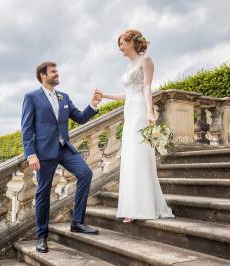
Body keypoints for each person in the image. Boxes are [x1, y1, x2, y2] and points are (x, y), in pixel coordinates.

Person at [21, 61, 102, 253]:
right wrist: (31, 154)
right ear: (43, 75)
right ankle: (41, 236)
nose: (57, 74)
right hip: (43, 152)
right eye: (53, 71)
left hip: (64, 148)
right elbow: (26, 128)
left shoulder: (64, 97)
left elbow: (80, 118)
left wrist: (93, 105)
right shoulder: (31, 97)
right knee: (43, 192)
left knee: (85, 174)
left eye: (56, 71)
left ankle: (77, 222)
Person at [97, 29, 174, 223]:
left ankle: (143, 207)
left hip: (140, 109)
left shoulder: (145, 61)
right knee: (130, 156)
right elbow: (127, 93)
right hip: (129, 110)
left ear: (131, 42)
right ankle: (132, 206)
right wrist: (104, 95)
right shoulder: (129, 66)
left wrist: (150, 111)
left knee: (139, 155)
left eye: (122, 43)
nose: (120, 48)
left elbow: (147, 87)